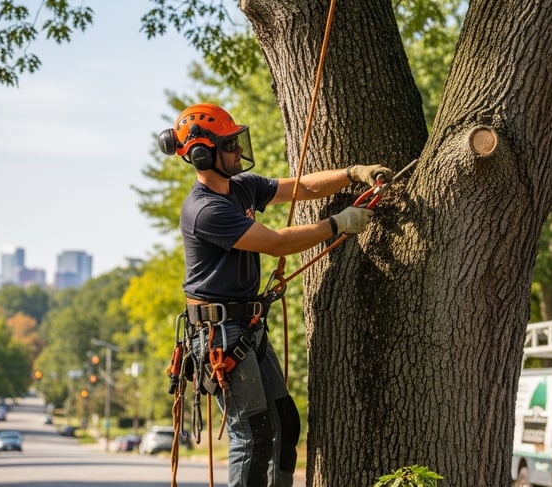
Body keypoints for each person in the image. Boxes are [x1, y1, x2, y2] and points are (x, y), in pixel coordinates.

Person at [158, 103, 393, 487]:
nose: (238, 150)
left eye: (236, 141)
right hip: (220, 335)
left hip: (244, 325)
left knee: (284, 423)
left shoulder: (241, 188)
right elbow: (275, 243)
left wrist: (353, 174)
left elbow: (300, 187)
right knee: (251, 435)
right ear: (203, 155)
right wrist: (338, 223)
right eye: (229, 144)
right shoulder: (205, 210)